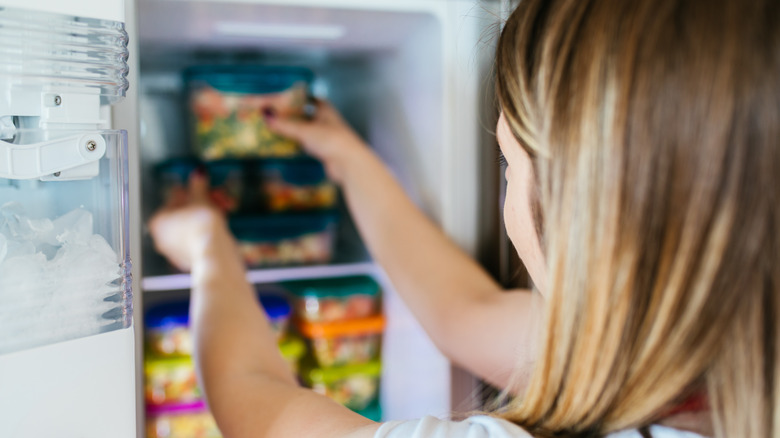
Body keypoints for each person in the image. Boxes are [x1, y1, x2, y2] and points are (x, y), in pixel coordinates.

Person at [148, 0, 779, 436]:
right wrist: (346, 157)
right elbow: (464, 313)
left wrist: (209, 248)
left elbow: (254, 400)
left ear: (579, 217)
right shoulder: (724, 368)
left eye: (508, 164)